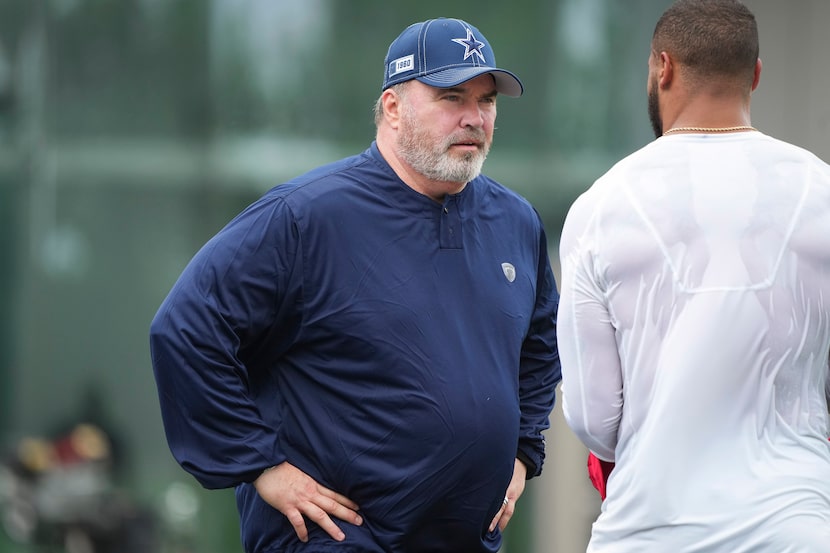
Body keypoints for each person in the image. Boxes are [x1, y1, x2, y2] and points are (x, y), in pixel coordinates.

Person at [149, 17, 561, 553]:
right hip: (337, 538)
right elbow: (187, 330)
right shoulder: (305, 216)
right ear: (392, 107)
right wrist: (261, 465)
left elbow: (539, 344)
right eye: (451, 96)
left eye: (486, 101)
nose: (474, 117)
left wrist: (523, 454)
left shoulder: (515, 221)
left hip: (465, 539)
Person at [557, 0, 830, 551]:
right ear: (755, 74)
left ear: (663, 67)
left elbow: (593, 416)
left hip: (648, 529)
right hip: (795, 526)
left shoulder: (603, 205)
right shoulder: (820, 190)